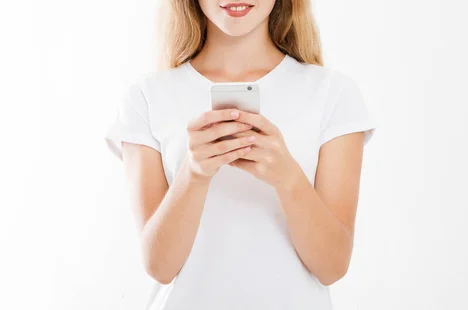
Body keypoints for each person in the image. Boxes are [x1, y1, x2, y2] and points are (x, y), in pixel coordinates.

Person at [104, 0, 375, 309]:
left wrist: (288, 178)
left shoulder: (333, 94)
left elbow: (332, 266)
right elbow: (159, 267)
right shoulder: (146, 98)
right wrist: (193, 174)